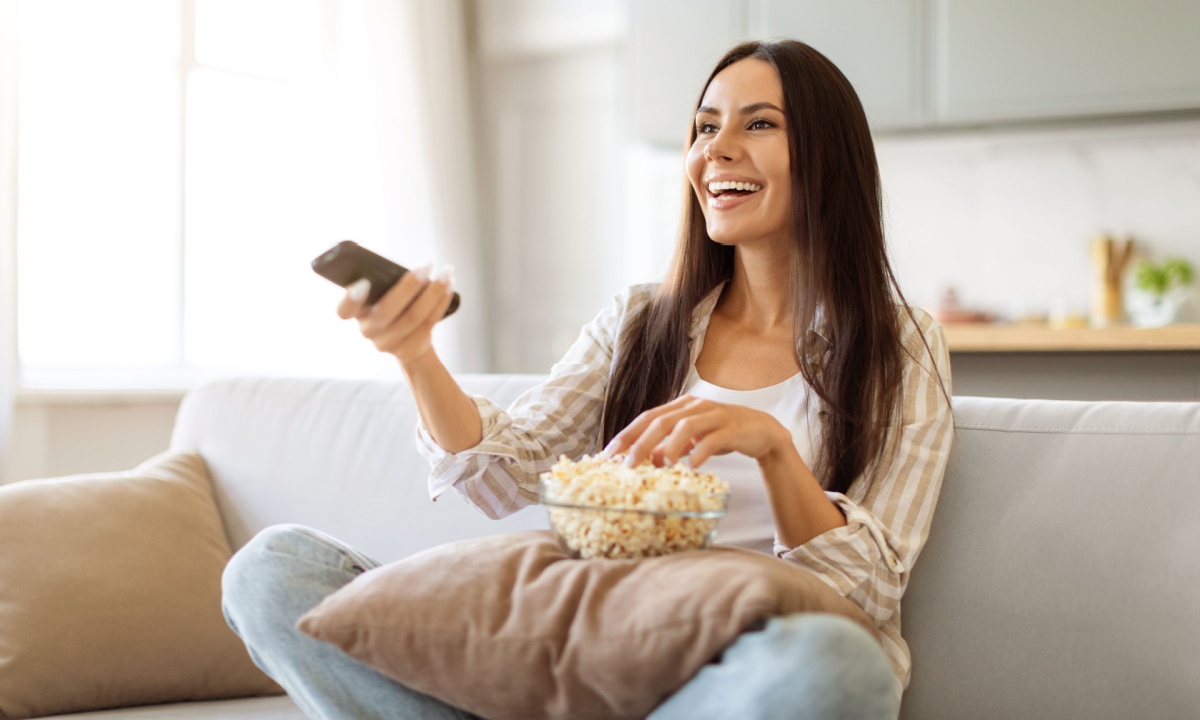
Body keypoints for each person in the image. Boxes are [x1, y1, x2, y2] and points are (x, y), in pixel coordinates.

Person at [222, 38, 954, 720]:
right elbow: (500, 474)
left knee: (838, 665)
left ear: (829, 157)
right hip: (601, 643)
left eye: (759, 124)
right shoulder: (639, 322)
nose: (717, 150)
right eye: (704, 128)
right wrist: (416, 356)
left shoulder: (902, 344)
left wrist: (771, 448)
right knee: (272, 572)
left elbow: (868, 585)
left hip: (744, 671)